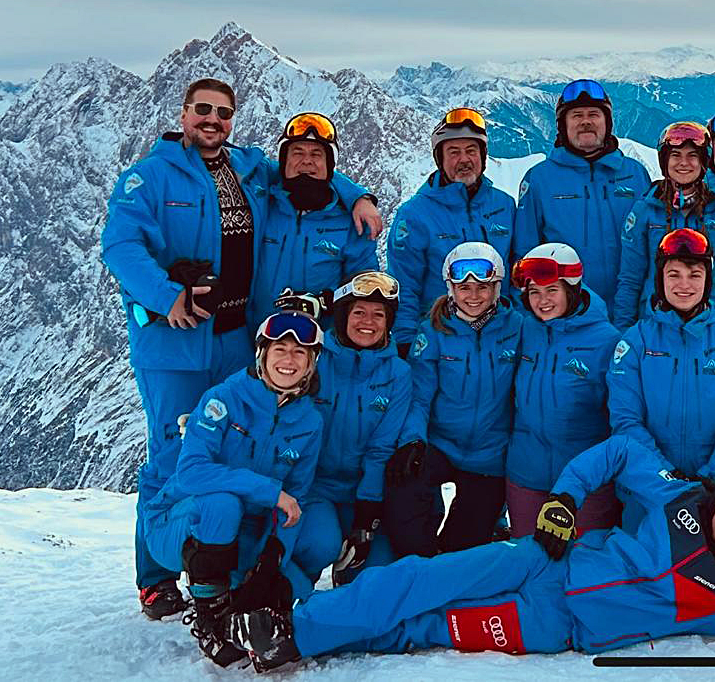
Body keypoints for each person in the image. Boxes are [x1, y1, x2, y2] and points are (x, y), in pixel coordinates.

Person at [102, 78, 376, 620]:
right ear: (183, 114)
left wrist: (357, 195)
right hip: (174, 341)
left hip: (238, 339)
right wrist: (166, 295)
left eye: (223, 113)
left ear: (232, 120)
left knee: (238, 448)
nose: (213, 120)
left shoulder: (247, 168)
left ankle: (226, 565)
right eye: (202, 110)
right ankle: (155, 579)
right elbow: (120, 245)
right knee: (169, 453)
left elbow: (305, 171)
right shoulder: (150, 177)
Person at [220, 440, 715, 674]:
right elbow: (623, 452)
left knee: (431, 626)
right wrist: (564, 500)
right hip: (546, 560)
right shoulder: (681, 498)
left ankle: (315, 638)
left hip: (555, 624)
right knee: (423, 576)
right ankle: (297, 629)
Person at [140, 311, 325, 667]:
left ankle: (236, 605)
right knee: (222, 504)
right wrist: (270, 491)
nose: (288, 360)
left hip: (240, 535)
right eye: (280, 349)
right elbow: (192, 471)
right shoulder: (222, 400)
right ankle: (209, 619)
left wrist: (273, 557)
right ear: (262, 354)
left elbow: (295, 501)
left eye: (300, 353)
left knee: (296, 590)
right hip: (177, 526)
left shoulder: (309, 421)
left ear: (311, 363)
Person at [390, 242, 524, 557]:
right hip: (440, 444)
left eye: (483, 287)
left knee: (462, 549)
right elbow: (420, 396)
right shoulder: (433, 330)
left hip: (489, 455)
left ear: (497, 287)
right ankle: (415, 574)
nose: (473, 295)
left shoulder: (517, 328)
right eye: (463, 287)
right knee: (408, 526)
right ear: (450, 287)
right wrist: (412, 441)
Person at [287, 271, 410, 593]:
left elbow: (381, 448)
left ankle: (347, 582)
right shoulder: (313, 358)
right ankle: (289, 595)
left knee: (376, 577)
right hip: (315, 488)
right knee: (318, 545)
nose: (368, 322)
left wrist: (367, 518)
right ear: (343, 316)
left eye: (378, 314)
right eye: (359, 312)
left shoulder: (398, 372)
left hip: (363, 491)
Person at [609, 228, 715, 484]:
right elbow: (626, 419)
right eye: (674, 274)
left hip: (712, 485)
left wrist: (710, 477)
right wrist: (666, 475)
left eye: (695, 275)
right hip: (647, 484)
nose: (684, 285)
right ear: (660, 279)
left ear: (708, 281)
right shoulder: (635, 341)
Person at [506, 243, 623, 537]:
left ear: (571, 289)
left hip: (586, 481)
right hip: (526, 474)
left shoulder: (606, 340)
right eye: (534, 292)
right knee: (527, 562)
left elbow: (620, 414)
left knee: (581, 568)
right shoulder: (524, 330)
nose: (542, 301)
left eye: (551, 291)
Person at [388, 107, 516, 356]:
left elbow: (517, 268)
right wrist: (406, 342)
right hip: (441, 338)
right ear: (440, 160)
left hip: (499, 336)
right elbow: (405, 283)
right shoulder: (414, 214)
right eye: (454, 152)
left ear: (483, 156)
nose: (464, 160)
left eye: (471, 151)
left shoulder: (504, 205)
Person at [516, 79, 651, 311]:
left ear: (607, 123)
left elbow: (651, 242)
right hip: (568, 314)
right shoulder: (540, 180)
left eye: (594, 115)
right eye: (576, 115)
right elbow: (524, 254)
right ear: (563, 126)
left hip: (631, 310)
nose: (586, 122)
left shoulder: (634, 174)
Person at [614, 121, 715, 329]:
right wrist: (623, 327)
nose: (684, 163)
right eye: (676, 155)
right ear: (664, 161)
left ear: (703, 162)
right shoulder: (646, 210)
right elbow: (630, 278)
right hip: (656, 325)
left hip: (711, 324)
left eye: (692, 156)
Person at [249, 112, 378, 327]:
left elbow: (364, 291)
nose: (306, 161)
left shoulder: (352, 224)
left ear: (329, 165)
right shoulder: (261, 205)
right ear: (283, 162)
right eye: (297, 152)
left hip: (319, 347)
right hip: (255, 341)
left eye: (317, 154)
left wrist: (327, 302)